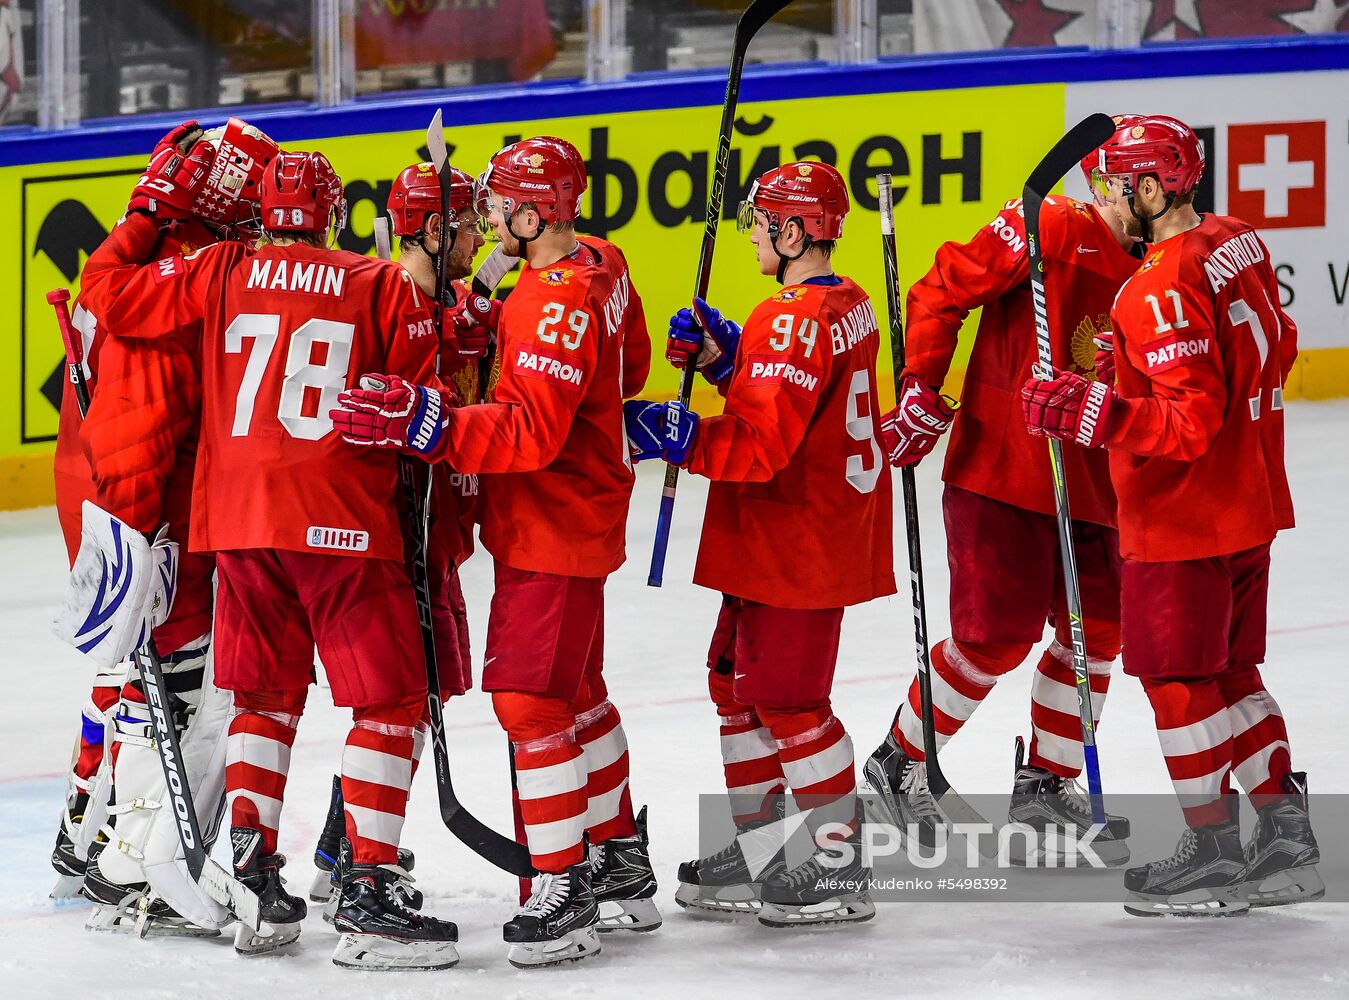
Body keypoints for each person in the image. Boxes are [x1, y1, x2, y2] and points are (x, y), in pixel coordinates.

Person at [88, 150, 460, 968]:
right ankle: (368, 894)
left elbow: (106, 296)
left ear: (261, 214)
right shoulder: (379, 282)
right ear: (332, 215)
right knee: (390, 702)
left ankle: (254, 879)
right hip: (341, 519)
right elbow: (423, 410)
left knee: (262, 698)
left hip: (238, 520)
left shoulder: (220, 267)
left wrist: (146, 214)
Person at [331, 136, 658, 967]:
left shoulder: (550, 304)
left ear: (532, 216)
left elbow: (530, 432)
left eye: (500, 206)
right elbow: (629, 369)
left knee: (526, 701)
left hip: (551, 518)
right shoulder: (603, 262)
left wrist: (430, 423)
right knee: (577, 693)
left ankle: (563, 887)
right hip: (582, 509)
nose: (487, 217)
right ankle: (618, 858)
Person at [1021, 114, 1320, 916]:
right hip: (1249, 503)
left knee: (1177, 680)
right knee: (1231, 674)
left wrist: (1099, 411)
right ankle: (1286, 840)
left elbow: (1188, 425)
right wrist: (1132, 371)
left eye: (1117, 187)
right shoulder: (1236, 239)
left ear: (1152, 188)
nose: (1108, 201)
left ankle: (1212, 853)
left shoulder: (1153, 286)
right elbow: (1277, 345)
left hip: (1183, 523)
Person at [864, 117, 1146, 864]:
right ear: (1105, 184)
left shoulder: (1168, 257)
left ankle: (1046, 786)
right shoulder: (1051, 224)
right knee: (993, 638)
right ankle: (900, 760)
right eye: (1128, 183)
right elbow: (940, 290)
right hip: (1004, 470)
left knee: (1099, 632)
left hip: (1102, 479)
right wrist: (920, 385)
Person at [627, 161, 895, 926]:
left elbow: (760, 444)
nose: (750, 235)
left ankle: (838, 864)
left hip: (794, 540)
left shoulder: (789, 317)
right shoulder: (843, 301)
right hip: (789, 533)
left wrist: (681, 437)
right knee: (735, 687)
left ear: (794, 232)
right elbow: (788, 395)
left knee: (789, 702)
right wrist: (723, 360)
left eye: (761, 223)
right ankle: (761, 847)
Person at [50, 119, 278, 935]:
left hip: (127, 499)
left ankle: (87, 838)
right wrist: (139, 544)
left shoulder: (156, 249)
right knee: (176, 684)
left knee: (136, 677)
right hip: (144, 510)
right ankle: (128, 860)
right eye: (253, 203)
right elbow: (137, 432)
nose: (264, 220)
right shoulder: (179, 279)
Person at [306, 160, 488, 912]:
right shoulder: (376, 303)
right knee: (399, 701)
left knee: (420, 696)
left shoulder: (458, 303)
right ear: (436, 231)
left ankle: (344, 846)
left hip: (437, 532)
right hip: (391, 534)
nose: (479, 238)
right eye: (469, 226)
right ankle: (356, 859)